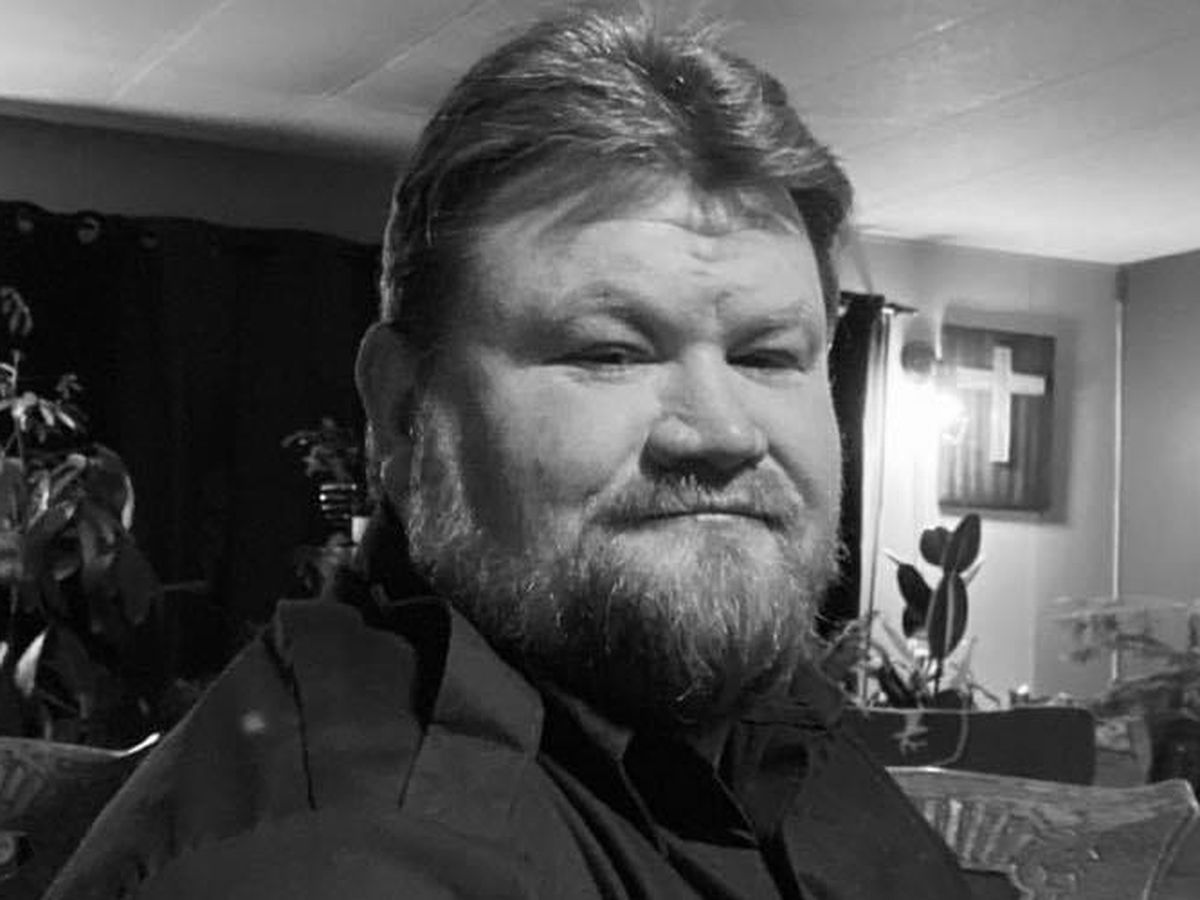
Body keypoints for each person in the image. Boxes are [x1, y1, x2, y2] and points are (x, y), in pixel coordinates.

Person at [47, 6, 971, 898]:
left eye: (768, 356)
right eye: (610, 352)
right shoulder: (332, 858)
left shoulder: (765, 732)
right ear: (404, 413)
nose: (725, 432)